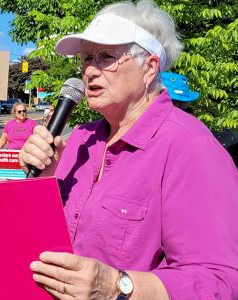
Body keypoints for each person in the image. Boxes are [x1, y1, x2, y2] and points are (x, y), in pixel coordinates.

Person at [19, 0, 238, 298]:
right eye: (85, 59)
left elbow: (220, 281)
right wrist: (44, 178)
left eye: (106, 57)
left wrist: (116, 287)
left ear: (149, 67)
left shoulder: (190, 147)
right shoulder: (81, 138)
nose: (89, 72)